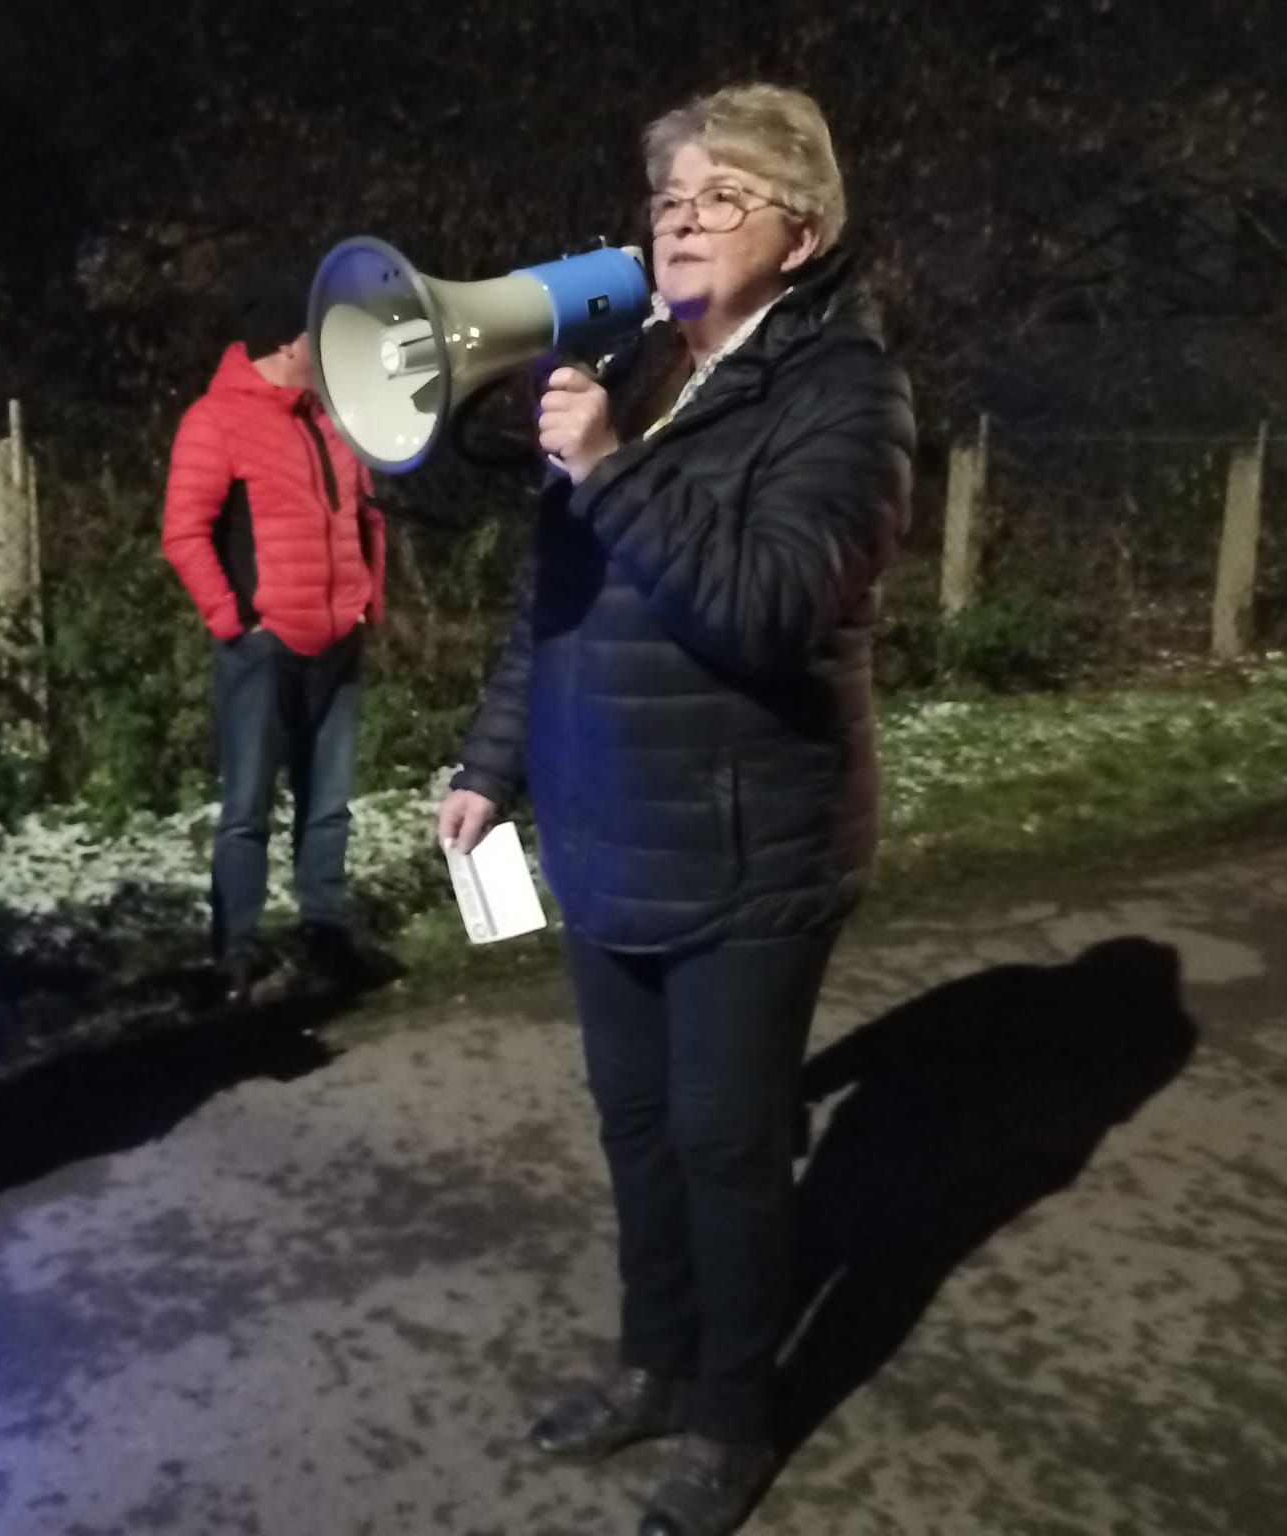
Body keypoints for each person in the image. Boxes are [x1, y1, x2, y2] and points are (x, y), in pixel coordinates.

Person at [436, 84, 915, 1536]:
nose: (680, 219)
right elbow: (556, 608)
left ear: (802, 234)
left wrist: (606, 465)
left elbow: (766, 611)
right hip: (603, 833)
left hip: (746, 842)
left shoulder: (845, 397)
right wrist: (490, 766)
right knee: (637, 1127)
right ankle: (654, 1364)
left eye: (721, 196)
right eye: (668, 197)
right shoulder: (640, 372)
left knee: (725, 1144)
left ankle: (730, 1417)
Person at [161, 274, 387, 1004]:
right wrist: (233, 620)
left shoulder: (334, 417)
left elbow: (365, 515)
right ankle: (235, 949)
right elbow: (184, 532)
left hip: (337, 639)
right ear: (290, 343)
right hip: (263, 647)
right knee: (247, 808)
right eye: (319, 335)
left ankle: (325, 934)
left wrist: (367, 603)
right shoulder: (215, 421)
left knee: (329, 805)